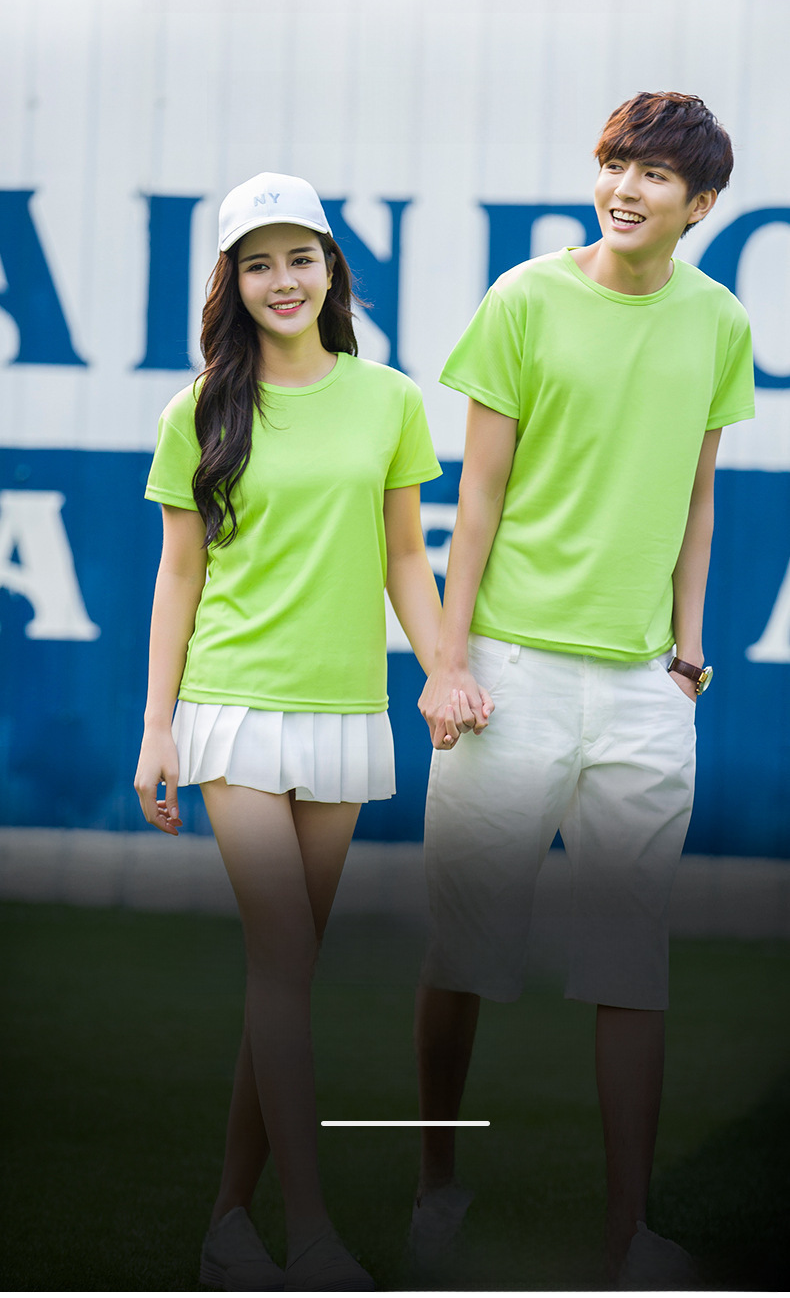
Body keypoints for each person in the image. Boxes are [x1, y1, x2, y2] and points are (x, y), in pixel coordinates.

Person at [414, 93, 755, 1285]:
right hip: (505, 674)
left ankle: (626, 1234)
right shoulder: (522, 299)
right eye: (615, 163)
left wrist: (687, 654)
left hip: (646, 692)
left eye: (654, 175)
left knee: (630, 962)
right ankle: (434, 1184)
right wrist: (449, 661)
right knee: (462, 955)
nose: (624, 187)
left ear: (698, 205)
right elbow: (478, 498)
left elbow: (697, 497)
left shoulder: (719, 321)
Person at [134, 172, 443, 1292]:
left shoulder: (390, 399)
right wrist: (157, 728)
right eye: (258, 263)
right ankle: (309, 1234)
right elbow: (179, 576)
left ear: (329, 268)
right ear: (233, 281)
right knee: (282, 956)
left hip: (346, 712)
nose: (283, 281)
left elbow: (405, 558)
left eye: (299, 258)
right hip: (231, 708)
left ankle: (228, 1221)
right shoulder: (197, 410)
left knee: (288, 973)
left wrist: (446, 669)